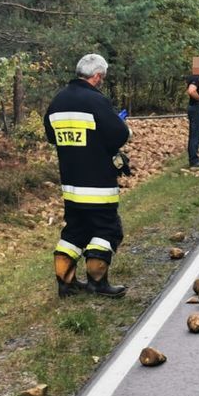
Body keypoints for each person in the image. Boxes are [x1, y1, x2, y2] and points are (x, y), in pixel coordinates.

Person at [44, 53, 131, 298]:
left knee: (74, 231)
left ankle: (66, 282)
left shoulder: (58, 101)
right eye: (102, 77)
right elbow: (118, 135)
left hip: (70, 184)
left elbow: (52, 136)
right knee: (106, 230)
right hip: (97, 184)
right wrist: (124, 127)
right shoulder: (96, 101)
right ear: (96, 76)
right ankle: (98, 282)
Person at [186, 56, 199, 168]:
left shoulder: (192, 77)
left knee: (197, 133)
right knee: (195, 134)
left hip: (194, 107)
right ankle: (194, 160)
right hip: (196, 108)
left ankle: (195, 156)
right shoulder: (196, 78)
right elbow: (191, 91)